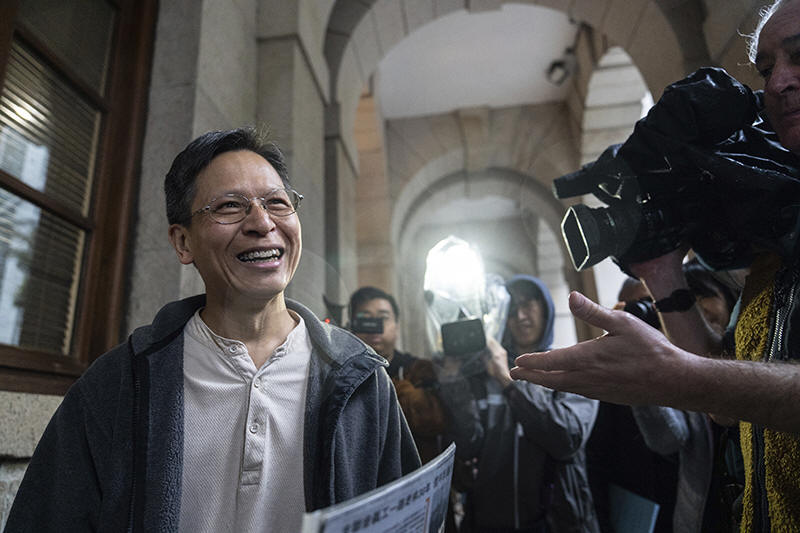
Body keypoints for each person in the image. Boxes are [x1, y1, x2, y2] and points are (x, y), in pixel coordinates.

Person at [6, 127, 420, 532]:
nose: (262, 222)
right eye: (229, 206)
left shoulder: (361, 382)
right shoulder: (117, 385)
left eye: (277, 203)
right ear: (183, 242)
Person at [511, 2, 800, 529]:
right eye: (765, 68)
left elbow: (707, 383)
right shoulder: (772, 256)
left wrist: (680, 376)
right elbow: (727, 402)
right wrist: (662, 272)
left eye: (799, 56)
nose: (778, 82)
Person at [438, 275, 599, 532]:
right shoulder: (487, 373)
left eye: (528, 304)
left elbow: (567, 438)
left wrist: (508, 381)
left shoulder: (572, 369)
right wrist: (453, 380)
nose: (521, 316)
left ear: (545, 308)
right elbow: (468, 446)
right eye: (511, 309)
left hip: (558, 522)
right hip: (488, 524)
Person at [348, 286, 447, 463]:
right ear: (352, 326)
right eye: (365, 318)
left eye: (383, 317)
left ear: (396, 326)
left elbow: (433, 420)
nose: (375, 326)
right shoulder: (342, 373)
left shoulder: (418, 369)